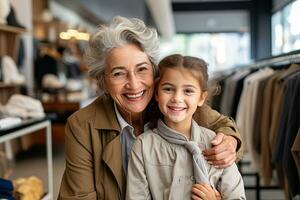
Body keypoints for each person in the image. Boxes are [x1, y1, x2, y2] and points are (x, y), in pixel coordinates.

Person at [58, 16, 243, 200]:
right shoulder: (82, 125)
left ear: (154, 71)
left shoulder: (172, 104)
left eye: (141, 69)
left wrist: (230, 143)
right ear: (103, 81)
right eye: (118, 73)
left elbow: (222, 125)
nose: (134, 84)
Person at [126, 54, 246, 200]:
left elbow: (236, 195)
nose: (177, 98)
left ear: (201, 98)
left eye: (188, 91)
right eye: (168, 89)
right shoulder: (142, 146)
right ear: (156, 93)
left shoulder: (216, 144)